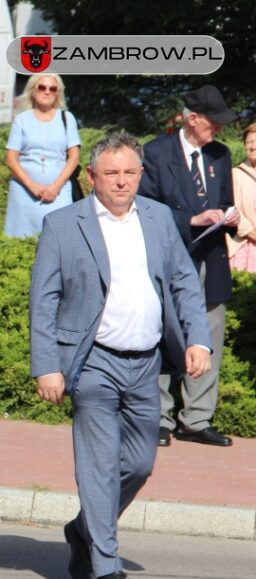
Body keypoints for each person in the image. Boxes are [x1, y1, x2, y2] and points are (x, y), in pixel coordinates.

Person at [30, 132, 211, 579]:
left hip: (146, 362)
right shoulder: (64, 226)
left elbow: (183, 282)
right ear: (92, 176)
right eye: (112, 173)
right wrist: (47, 366)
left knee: (140, 463)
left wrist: (197, 339)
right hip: (92, 362)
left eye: (130, 172)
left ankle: (84, 528)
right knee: (99, 466)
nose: (122, 182)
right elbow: (43, 301)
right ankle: (106, 568)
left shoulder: (158, 218)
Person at [139, 85, 239, 448]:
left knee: (209, 334)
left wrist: (228, 214)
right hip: (168, 256)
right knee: (163, 332)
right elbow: (145, 207)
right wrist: (191, 220)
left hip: (210, 259)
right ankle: (158, 418)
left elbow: (224, 198)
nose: (219, 129)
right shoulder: (154, 152)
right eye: (214, 122)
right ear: (192, 118)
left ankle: (196, 419)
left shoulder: (220, 155)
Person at [3, 74, 81, 238]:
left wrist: (55, 187)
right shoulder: (21, 119)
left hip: (59, 193)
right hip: (24, 194)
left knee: (62, 238)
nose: (47, 92)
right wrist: (32, 186)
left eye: (52, 88)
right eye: (42, 87)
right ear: (33, 90)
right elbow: (11, 158)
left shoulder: (67, 118)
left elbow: (74, 157)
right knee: (21, 244)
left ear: (58, 93)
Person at [228, 123, 256, 272]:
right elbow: (233, 210)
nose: (253, 146)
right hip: (245, 246)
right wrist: (253, 233)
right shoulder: (236, 174)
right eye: (249, 142)